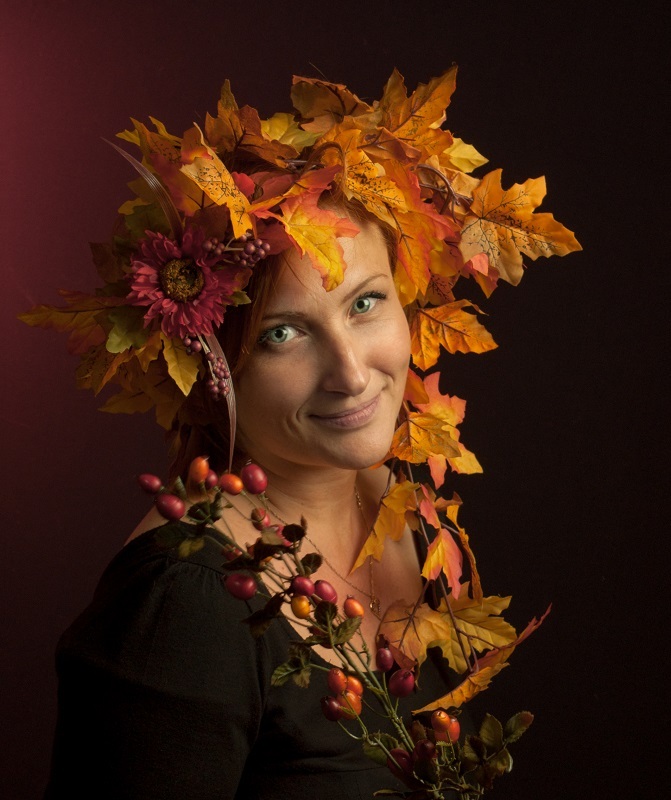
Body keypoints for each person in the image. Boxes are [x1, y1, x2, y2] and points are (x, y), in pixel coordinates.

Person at [24, 68, 580, 799]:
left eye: (365, 302)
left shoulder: (399, 501)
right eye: (283, 334)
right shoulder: (186, 604)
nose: (350, 373)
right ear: (211, 364)